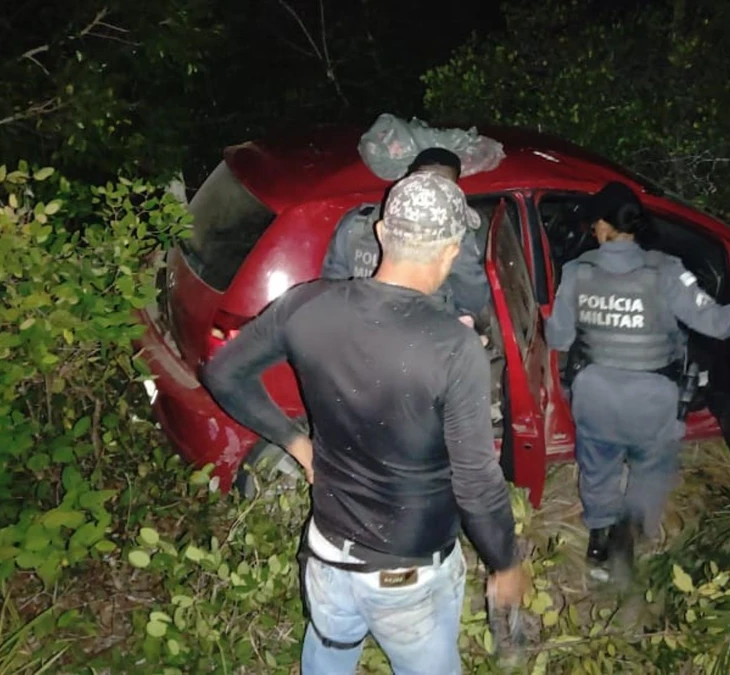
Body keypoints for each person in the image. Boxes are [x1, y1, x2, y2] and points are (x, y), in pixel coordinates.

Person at [201, 172, 527, 674]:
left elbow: (224, 373)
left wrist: (295, 443)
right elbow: (478, 485)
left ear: (380, 234)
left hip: (328, 556)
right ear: (451, 250)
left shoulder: (306, 304)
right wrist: (505, 563)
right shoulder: (452, 347)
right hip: (409, 578)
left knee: (328, 655)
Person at [545, 181, 730, 584]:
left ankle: (598, 541)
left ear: (602, 227)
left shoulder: (576, 272)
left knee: (597, 467)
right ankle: (628, 536)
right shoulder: (667, 271)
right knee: (651, 468)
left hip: (594, 396)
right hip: (652, 401)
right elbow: (719, 324)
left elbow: (559, 339)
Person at [321, 147, 490, 324]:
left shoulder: (357, 221)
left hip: (356, 331)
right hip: (424, 337)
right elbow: (473, 298)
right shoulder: (455, 237)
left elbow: (332, 286)